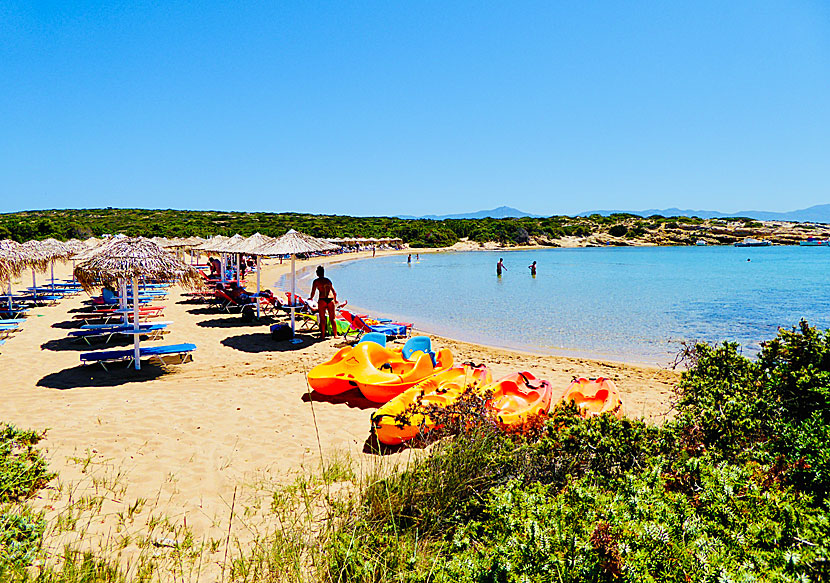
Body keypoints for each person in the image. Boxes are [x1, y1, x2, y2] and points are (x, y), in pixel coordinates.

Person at [309, 266, 338, 339]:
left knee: (322, 319)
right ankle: (335, 335)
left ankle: (323, 335)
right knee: (333, 318)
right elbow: (334, 292)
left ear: (317, 273)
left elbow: (313, 292)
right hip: (330, 299)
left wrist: (311, 298)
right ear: (323, 273)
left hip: (322, 300)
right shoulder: (328, 280)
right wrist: (335, 299)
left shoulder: (316, 281)